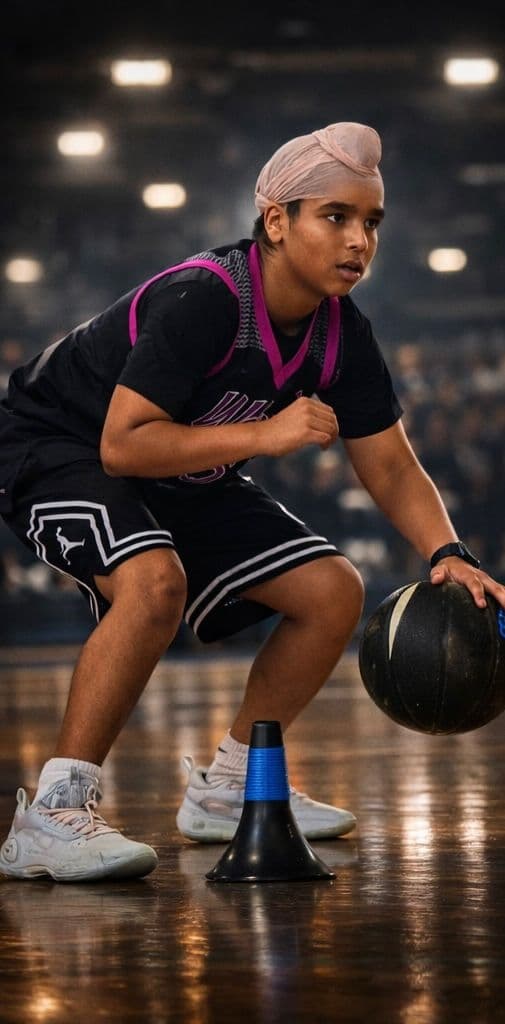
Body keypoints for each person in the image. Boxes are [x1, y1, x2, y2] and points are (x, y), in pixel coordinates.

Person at [1, 122, 504, 883]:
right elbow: (123, 446)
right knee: (152, 583)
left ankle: (232, 787)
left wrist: (447, 553)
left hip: (177, 461)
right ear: (276, 220)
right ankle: (51, 813)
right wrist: (264, 435)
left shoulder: (343, 335)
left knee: (330, 590)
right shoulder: (205, 298)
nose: (357, 240)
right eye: (334, 217)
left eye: (369, 222)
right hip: (55, 444)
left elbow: (393, 467)